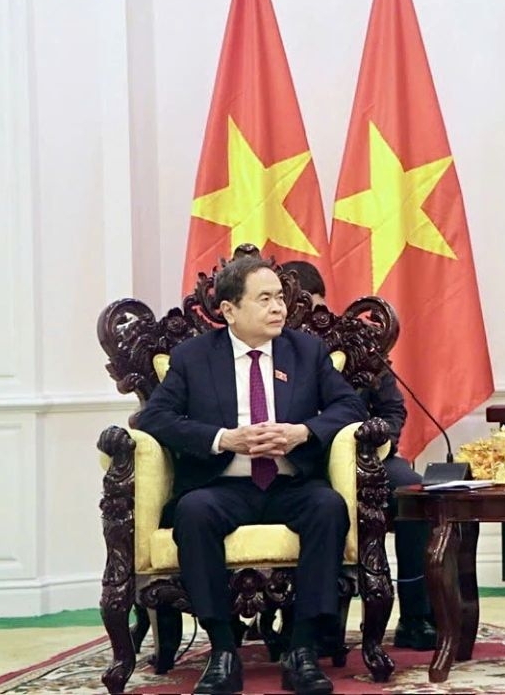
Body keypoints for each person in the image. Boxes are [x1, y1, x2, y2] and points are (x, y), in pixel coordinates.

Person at [140, 256, 367, 695]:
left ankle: (302, 648)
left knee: (329, 507)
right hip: (224, 484)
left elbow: (350, 407)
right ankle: (223, 650)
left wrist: (303, 432)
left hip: (291, 483)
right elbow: (155, 419)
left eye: (280, 297)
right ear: (229, 310)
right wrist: (224, 439)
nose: (278, 308)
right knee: (193, 513)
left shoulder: (306, 350)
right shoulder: (193, 357)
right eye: (264, 299)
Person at [280, 261, 439, 652]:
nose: (305, 319)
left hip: (367, 458)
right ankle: (315, 623)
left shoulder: (355, 342)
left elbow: (392, 411)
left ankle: (416, 616)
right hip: (299, 463)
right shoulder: (272, 349)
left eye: (310, 307)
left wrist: (373, 444)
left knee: (411, 490)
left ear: (323, 302)